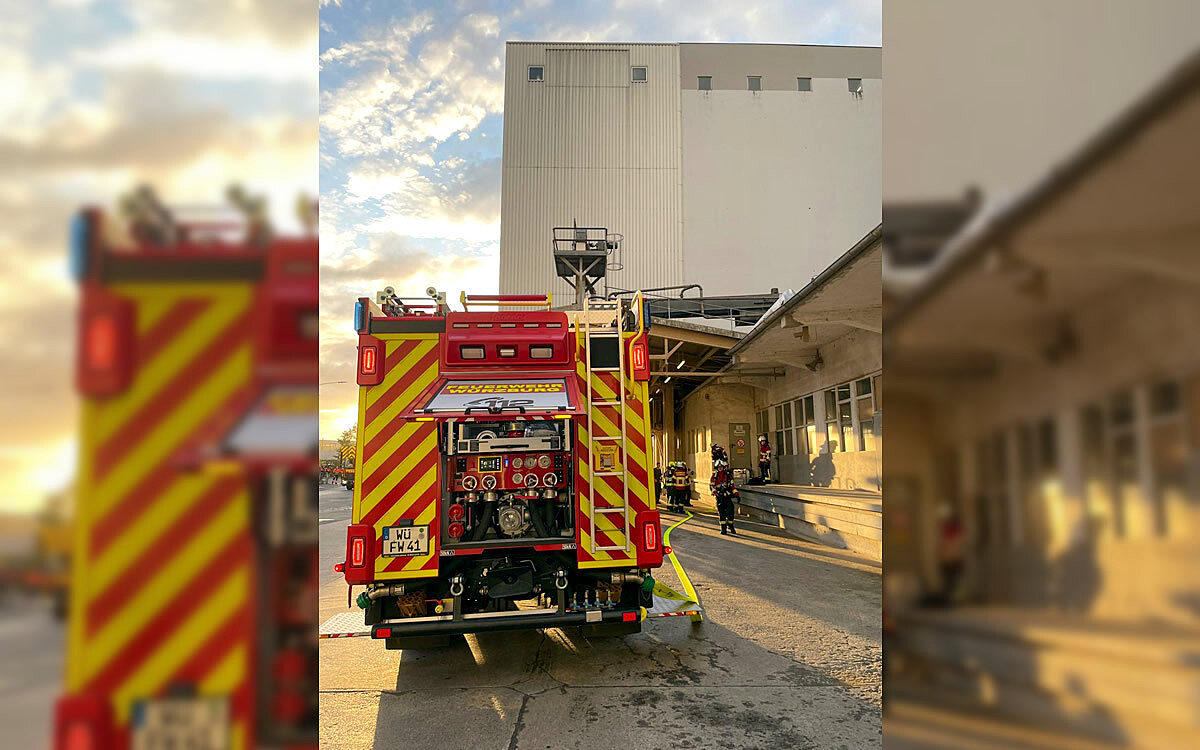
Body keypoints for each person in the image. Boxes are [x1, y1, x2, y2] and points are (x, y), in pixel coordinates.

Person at [711, 445, 738, 535]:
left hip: (727, 496)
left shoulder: (728, 476)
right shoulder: (714, 477)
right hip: (720, 497)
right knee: (722, 514)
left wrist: (736, 494)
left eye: (721, 467)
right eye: (718, 467)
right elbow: (711, 486)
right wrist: (716, 493)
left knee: (730, 513)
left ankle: (731, 526)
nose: (720, 468)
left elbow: (732, 486)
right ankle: (723, 528)